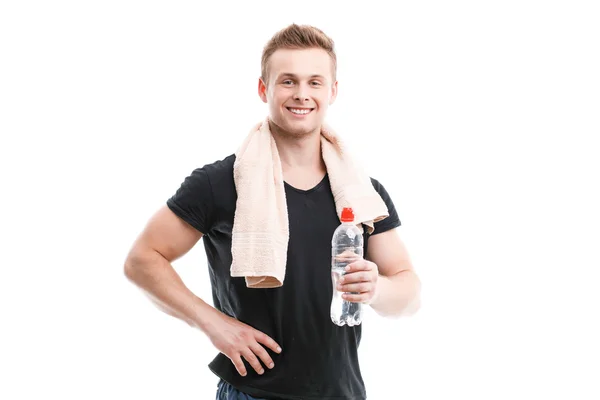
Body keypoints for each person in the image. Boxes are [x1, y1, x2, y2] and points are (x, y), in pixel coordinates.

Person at [124, 23, 421, 400]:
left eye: (315, 82)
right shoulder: (220, 182)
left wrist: (377, 288)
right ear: (264, 89)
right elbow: (141, 260)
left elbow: (409, 292)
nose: (301, 94)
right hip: (252, 393)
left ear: (333, 91)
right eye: (288, 81)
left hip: (342, 392)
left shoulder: (362, 192)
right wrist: (214, 325)